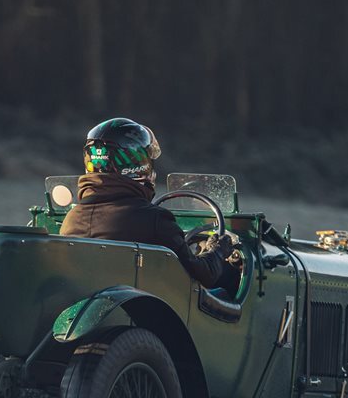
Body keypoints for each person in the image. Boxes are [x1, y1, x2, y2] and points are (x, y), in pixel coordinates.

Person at [60, 118, 234, 287]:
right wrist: (217, 251)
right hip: (145, 312)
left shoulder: (72, 218)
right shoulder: (154, 219)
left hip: (93, 305)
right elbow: (204, 275)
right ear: (137, 164)